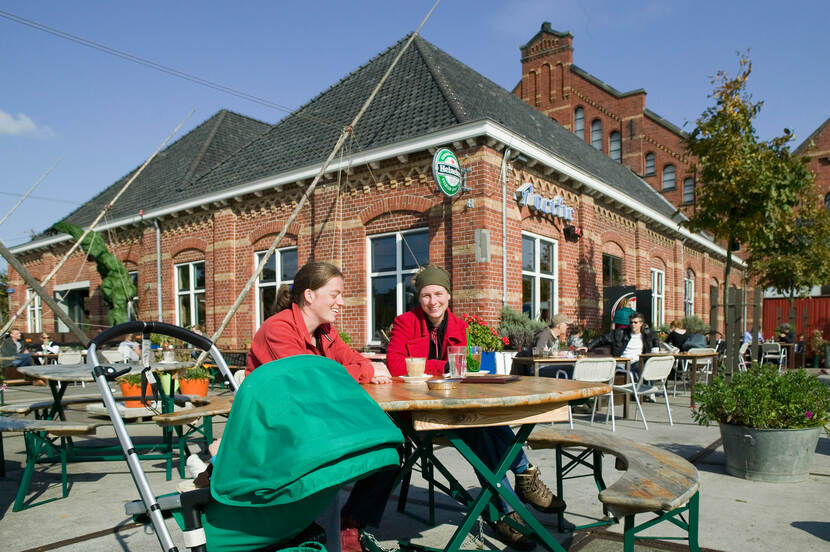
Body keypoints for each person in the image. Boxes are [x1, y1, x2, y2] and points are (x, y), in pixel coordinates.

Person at [386, 264, 563, 550]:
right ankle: (519, 484)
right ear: (419, 298)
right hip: (418, 413)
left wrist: (434, 369)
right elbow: (396, 366)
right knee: (479, 430)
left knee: (484, 424)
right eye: (426, 295)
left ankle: (507, 506)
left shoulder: (458, 325)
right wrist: (442, 367)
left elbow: (466, 367)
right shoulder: (405, 323)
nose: (433, 301)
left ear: (449, 295)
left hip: (454, 406)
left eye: (439, 294)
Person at [246, 262, 393, 552]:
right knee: (382, 442)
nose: (341, 302)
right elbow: (310, 382)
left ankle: (351, 522)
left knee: (392, 443)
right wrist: (361, 372)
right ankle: (327, 532)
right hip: (278, 433)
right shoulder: (278, 329)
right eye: (335, 294)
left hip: (315, 422)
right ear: (310, 296)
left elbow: (354, 361)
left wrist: (356, 369)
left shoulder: (325, 331)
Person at [587, 312, 659, 381]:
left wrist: (656, 348)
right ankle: (633, 391)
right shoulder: (620, 333)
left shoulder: (646, 333)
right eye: (631, 322)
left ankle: (643, 390)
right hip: (622, 362)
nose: (633, 324)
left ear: (641, 323)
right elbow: (602, 339)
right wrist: (588, 347)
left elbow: (655, 337)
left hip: (637, 362)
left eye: (635, 322)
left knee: (644, 367)